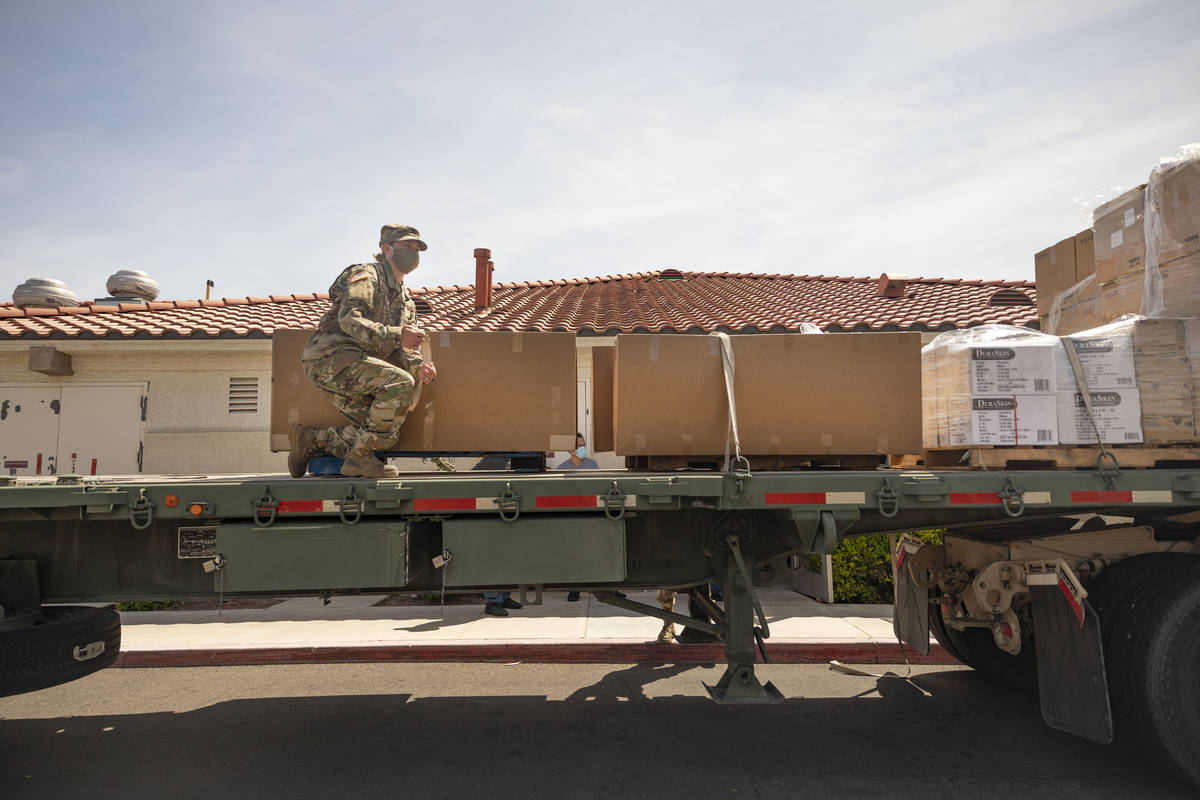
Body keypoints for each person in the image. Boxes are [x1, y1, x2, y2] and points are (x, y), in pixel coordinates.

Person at [288, 224, 437, 479]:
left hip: (357, 364)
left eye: (417, 248)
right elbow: (350, 320)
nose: (413, 253)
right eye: (407, 247)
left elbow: (406, 348)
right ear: (386, 248)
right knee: (400, 384)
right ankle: (359, 460)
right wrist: (397, 335)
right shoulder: (367, 276)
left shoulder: (407, 303)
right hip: (330, 357)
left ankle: (311, 440)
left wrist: (418, 366)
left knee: (386, 429)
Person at [561, 433, 599, 602]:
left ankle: (603, 589)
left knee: (596, 552)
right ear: (571, 450)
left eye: (584, 445)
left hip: (592, 514)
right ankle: (574, 589)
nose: (583, 449)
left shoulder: (593, 465)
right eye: (579, 446)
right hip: (572, 516)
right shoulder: (562, 469)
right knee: (574, 553)